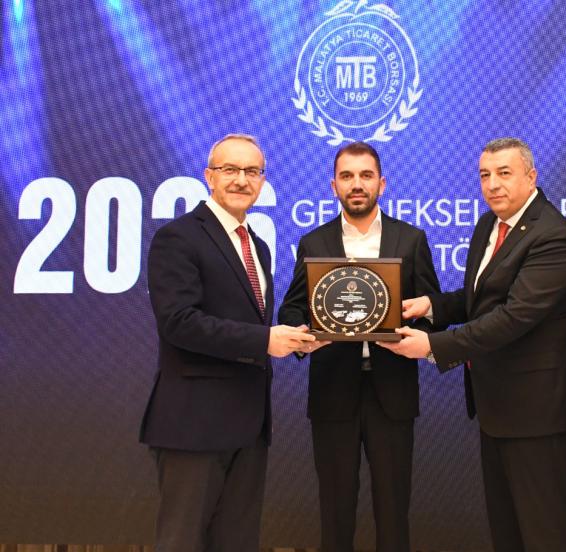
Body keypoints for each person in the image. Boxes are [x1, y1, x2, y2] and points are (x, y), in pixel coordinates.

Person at [381, 138, 566, 552]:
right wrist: (432, 306)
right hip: (496, 407)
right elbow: (481, 300)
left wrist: (433, 345)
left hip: (537, 411)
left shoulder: (554, 236)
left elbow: (513, 317)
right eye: (485, 175)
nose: (492, 184)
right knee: (507, 532)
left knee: (545, 532)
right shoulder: (489, 224)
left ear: (531, 177)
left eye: (504, 173)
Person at [139, 134, 323, 552]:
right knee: (181, 542)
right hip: (194, 425)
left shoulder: (257, 245)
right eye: (230, 170)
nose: (242, 180)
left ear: (263, 181)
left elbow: (250, 323)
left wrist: (296, 339)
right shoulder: (178, 237)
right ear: (209, 176)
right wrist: (265, 340)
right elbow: (179, 323)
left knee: (237, 542)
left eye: (252, 171)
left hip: (249, 426)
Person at [278, 142, 441, 552]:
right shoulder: (313, 242)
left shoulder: (411, 239)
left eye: (365, 175)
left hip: (393, 394)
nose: (356, 184)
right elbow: (292, 307)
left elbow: (432, 308)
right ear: (333, 185)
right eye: (347, 176)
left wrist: (415, 328)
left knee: (394, 513)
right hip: (333, 392)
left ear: (381, 184)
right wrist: (304, 335)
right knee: (335, 513)